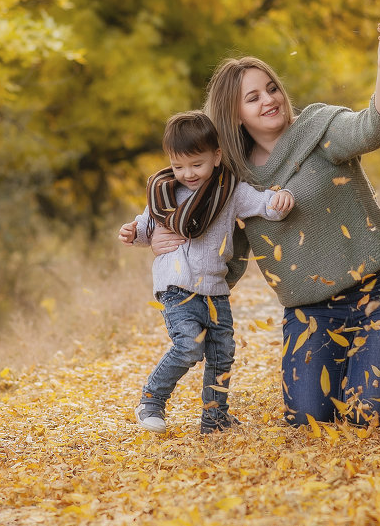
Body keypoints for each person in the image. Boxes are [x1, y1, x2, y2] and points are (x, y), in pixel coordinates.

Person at [149, 19, 380, 427]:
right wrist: (170, 248)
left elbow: (375, 127)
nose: (269, 99)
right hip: (311, 312)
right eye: (252, 98)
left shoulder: (320, 129)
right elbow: (221, 254)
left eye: (271, 88)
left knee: (369, 415)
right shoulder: (230, 182)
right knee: (309, 421)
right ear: (234, 116)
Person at [119, 111, 295, 434]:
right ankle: (151, 400)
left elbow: (262, 204)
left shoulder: (229, 192)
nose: (187, 174)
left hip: (214, 288)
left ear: (216, 156)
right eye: (178, 166)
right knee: (189, 344)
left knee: (221, 351)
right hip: (177, 285)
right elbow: (146, 226)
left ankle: (215, 418)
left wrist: (280, 200)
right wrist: (133, 232)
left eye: (196, 164)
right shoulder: (165, 193)